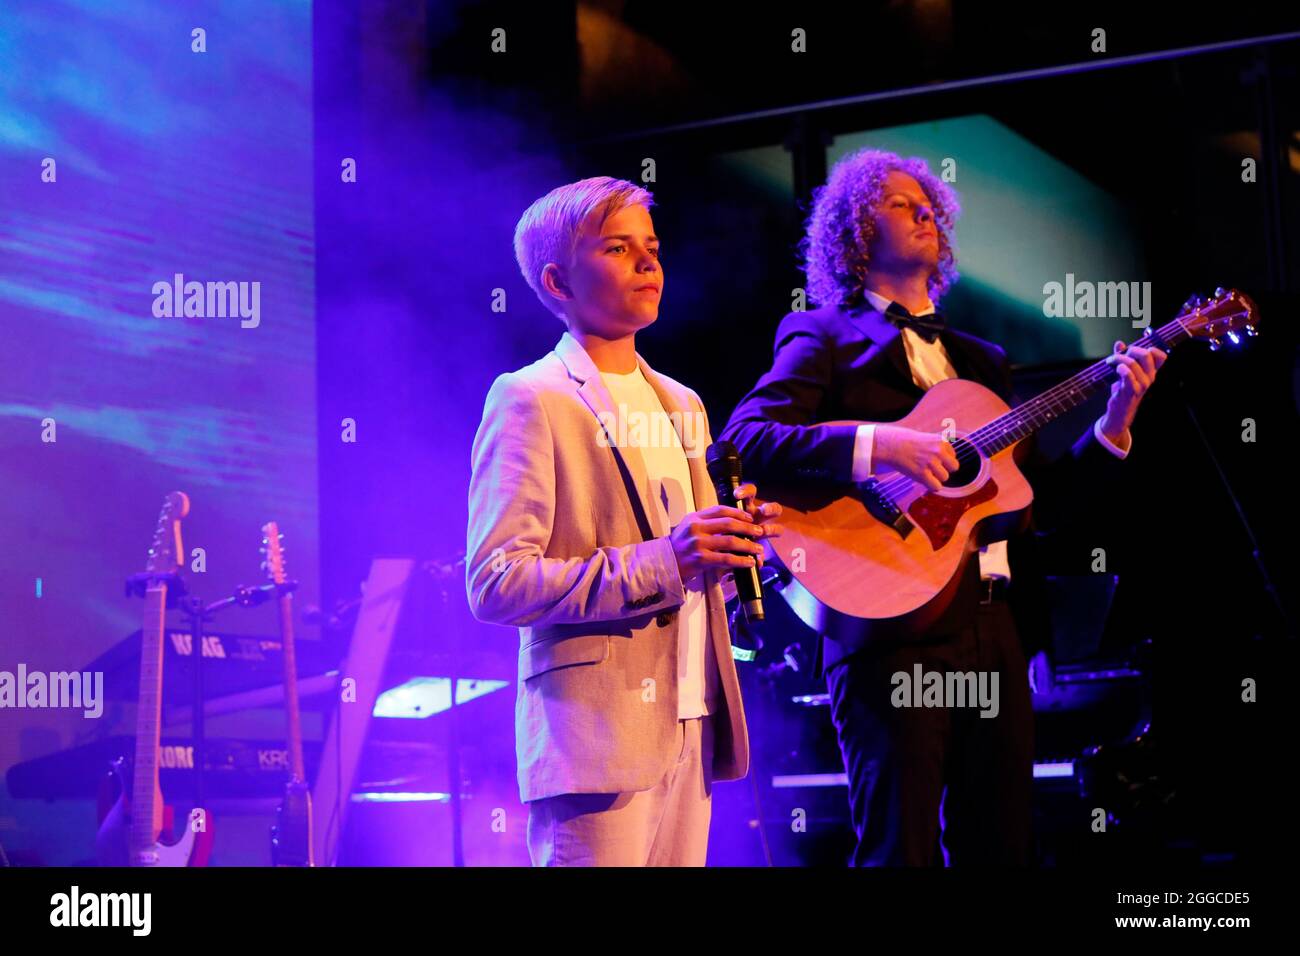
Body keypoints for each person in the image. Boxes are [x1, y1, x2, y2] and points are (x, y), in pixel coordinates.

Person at [720, 149, 1165, 865]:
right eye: (899, 203)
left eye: (927, 201)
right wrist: (881, 446)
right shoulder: (822, 335)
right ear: (856, 233)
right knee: (902, 848)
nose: (925, 210)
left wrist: (1114, 423)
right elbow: (746, 440)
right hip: (886, 622)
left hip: (994, 623)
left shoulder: (983, 358)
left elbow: (1034, 505)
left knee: (1002, 847)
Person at [466, 176, 784, 866]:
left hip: (691, 725)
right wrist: (667, 560)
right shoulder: (531, 398)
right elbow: (496, 582)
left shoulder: (683, 403)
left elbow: (695, 583)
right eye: (617, 247)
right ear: (557, 280)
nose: (647, 263)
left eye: (652, 247)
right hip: (595, 736)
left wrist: (739, 550)